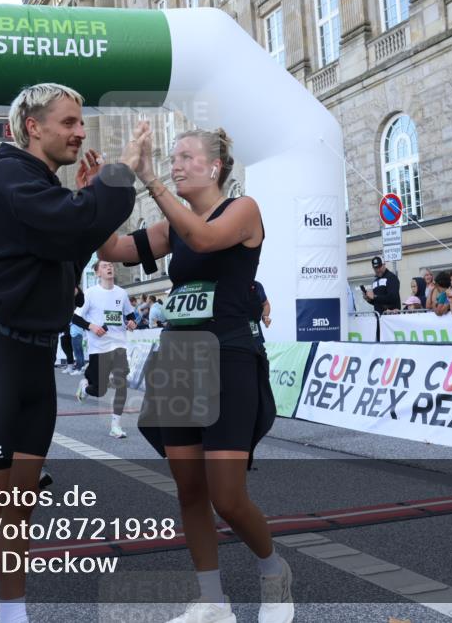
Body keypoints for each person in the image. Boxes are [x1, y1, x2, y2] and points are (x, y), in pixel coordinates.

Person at [0, 83, 139, 623]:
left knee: (19, 501)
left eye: (81, 122)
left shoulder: (37, 186)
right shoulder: (8, 174)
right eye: (70, 122)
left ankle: (14, 614)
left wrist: (86, 201)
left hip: (33, 357)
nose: (81, 131)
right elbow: (74, 224)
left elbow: (71, 241)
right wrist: (117, 176)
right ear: (33, 126)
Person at [98, 127, 294, 623]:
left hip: (228, 356)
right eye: (171, 158)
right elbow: (114, 250)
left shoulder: (241, 209)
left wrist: (150, 181)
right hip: (180, 358)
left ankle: (275, 574)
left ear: (215, 168)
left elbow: (205, 240)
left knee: (227, 495)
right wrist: (101, 194)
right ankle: (212, 601)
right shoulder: (173, 224)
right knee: (188, 488)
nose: (175, 164)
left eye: (185, 157)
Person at [73, 260, 136, 438]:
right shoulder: (91, 294)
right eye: (104, 266)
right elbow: (76, 318)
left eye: (111, 265)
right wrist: (92, 326)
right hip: (98, 347)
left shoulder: (122, 293)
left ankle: (115, 425)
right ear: (97, 273)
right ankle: (85, 388)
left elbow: (130, 314)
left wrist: (132, 322)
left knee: (122, 383)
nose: (109, 267)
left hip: (119, 344)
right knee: (99, 391)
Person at [250, 281, 270, 345]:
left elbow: (265, 304)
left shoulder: (256, 285)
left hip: (252, 324)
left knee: (257, 350)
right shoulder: (225, 285)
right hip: (233, 328)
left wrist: (265, 316)